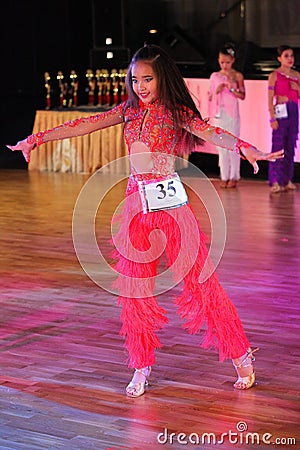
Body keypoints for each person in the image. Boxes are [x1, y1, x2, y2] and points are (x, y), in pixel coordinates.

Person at [7, 44, 283, 398]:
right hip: (136, 209)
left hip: (172, 209)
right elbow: (83, 125)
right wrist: (36, 138)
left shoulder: (175, 112)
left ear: (162, 78)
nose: (140, 86)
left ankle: (241, 355)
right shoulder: (128, 111)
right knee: (134, 292)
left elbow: (209, 131)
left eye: (147, 79)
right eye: (135, 79)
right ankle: (141, 366)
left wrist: (245, 147)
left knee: (201, 284)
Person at [208, 43, 246, 189]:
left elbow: (242, 95)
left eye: (228, 62)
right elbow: (210, 96)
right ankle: (224, 176)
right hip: (220, 114)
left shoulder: (237, 76)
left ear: (233, 60)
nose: (225, 65)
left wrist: (231, 87)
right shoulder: (215, 76)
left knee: (233, 145)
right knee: (221, 146)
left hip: (232, 114)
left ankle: (234, 176)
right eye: (222, 62)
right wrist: (216, 91)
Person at [268, 45, 300, 193]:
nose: (290, 59)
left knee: (291, 145)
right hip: (280, 110)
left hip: (293, 111)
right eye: (286, 55)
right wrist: (272, 117)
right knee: (278, 145)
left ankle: (287, 179)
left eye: (292, 55)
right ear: (279, 58)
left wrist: (297, 88)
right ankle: (275, 181)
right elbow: (269, 97)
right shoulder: (274, 75)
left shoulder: (297, 75)